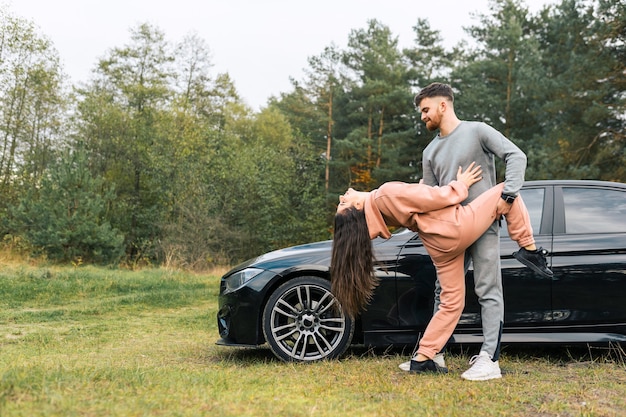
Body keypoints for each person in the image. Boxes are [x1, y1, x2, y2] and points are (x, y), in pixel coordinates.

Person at [330, 164, 552, 376]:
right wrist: (461, 184)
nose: (342, 197)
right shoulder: (383, 195)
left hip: (438, 245)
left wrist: (422, 187)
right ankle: (529, 248)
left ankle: (424, 357)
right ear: (357, 208)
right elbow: (437, 198)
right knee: (506, 190)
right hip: (455, 227)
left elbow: (419, 202)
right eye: (343, 203)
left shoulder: (382, 212)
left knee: (451, 302)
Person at [414, 82, 531, 380]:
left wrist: (508, 196)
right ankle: (433, 355)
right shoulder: (430, 151)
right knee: (444, 293)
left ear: (443, 105)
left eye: (426, 110)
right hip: (449, 231)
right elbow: (426, 196)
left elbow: (516, 156)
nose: (423, 117)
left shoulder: (477, 130)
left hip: (483, 227)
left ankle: (489, 360)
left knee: (487, 288)